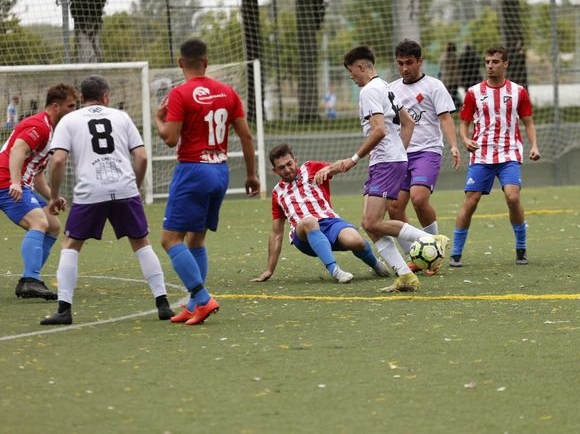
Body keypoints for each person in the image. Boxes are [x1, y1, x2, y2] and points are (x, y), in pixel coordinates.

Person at [40, 75, 175, 325]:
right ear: (106, 96)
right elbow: (142, 157)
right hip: (124, 188)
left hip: (90, 191)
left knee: (71, 245)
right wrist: (133, 187)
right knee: (141, 243)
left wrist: (55, 195)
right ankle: (163, 303)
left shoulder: (69, 120)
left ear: (81, 98)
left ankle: (64, 309)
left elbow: (57, 160)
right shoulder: (121, 117)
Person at [314, 45, 447, 293]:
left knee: (372, 221)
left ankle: (428, 240)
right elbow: (408, 123)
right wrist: (400, 152)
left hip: (386, 162)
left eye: (351, 72)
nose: (351, 77)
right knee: (369, 223)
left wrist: (352, 159)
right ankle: (405, 275)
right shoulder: (387, 87)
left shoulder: (370, 91)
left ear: (361, 67)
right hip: (388, 160)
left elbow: (379, 130)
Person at [155, 38, 260, 325]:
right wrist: (251, 174)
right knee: (196, 238)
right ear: (206, 61)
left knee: (169, 239)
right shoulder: (227, 92)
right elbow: (246, 136)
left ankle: (202, 298)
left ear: (180, 63)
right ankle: (192, 305)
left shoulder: (180, 94)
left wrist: (158, 120)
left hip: (193, 171)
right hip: (220, 172)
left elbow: (170, 138)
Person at [450, 45, 541, 267]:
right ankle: (455, 253)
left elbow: (528, 121)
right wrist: (464, 139)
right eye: (487, 62)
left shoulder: (518, 92)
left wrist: (534, 146)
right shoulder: (474, 92)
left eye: (495, 62)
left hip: (509, 152)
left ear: (505, 64)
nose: (490, 66)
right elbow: (464, 123)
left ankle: (521, 249)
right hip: (481, 154)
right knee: (471, 202)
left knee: (512, 197)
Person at [251, 143, 390, 283]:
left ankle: (375, 264)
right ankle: (335, 270)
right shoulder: (277, 193)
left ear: (295, 160)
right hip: (304, 234)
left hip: (329, 222)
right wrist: (269, 269)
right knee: (309, 221)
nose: (287, 169)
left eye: (289, 164)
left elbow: (340, 166)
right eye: (281, 167)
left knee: (357, 242)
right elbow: (276, 233)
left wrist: (329, 169)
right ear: (275, 171)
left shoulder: (310, 168)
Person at [387, 39, 460, 272]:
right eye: (400, 63)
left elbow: (445, 118)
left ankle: (434, 252)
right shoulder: (391, 89)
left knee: (419, 199)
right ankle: (418, 256)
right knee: (394, 206)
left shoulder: (434, 86)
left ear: (420, 61)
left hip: (427, 151)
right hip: (401, 154)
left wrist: (454, 145)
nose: (405, 68)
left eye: (409, 63)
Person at [0, 83, 78, 300]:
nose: (74, 110)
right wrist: (15, 182)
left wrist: (52, 197)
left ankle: (29, 278)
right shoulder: (39, 126)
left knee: (53, 225)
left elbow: (37, 174)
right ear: (55, 106)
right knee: (39, 222)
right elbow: (17, 150)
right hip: (5, 181)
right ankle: (30, 280)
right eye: (70, 106)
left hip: (18, 182)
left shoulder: (53, 131)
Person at [438, 41, 461, 109]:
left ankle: (448, 109)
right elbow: (457, 68)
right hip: (454, 80)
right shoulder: (456, 56)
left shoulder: (443, 56)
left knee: (447, 95)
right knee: (453, 95)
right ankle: (453, 108)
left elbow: (441, 66)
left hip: (445, 79)